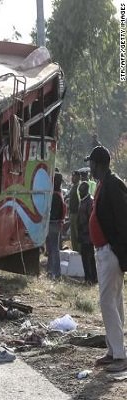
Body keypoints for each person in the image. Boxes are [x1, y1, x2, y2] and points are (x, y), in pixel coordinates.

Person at [85, 146, 127, 373]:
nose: (89, 168)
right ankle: (114, 351)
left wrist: (121, 253)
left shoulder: (113, 184)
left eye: (91, 163)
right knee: (114, 301)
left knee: (106, 302)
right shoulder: (103, 184)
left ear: (98, 164)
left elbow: (123, 222)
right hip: (103, 251)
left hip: (111, 251)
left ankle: (120, 355)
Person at [46, 172, 65, 279]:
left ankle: (56, 272)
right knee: (52, 248)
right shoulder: (59, 193)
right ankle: (50, 270)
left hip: (53, 224)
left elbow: (52, 213)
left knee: (53, 249)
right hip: (56, 224)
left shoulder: (55, 195)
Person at [77, 181, 97, 284]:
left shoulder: (90, 201)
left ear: (86, 190)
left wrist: (86, 232)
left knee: (88, 258)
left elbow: (90, 219)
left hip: (87, 235)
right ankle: (91, 278)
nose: (79, 193)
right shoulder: (83, 201)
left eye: (81, 191)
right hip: (83, 234)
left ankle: (90, 279)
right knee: (87, 257)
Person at [68, 171, 81, 253]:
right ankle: (75, 252)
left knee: (77, 235)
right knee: (72, 236)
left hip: (77, 214)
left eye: (74, 176)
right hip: (72, 213)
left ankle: (80, 253)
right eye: (72, 176)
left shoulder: (79, 187)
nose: (72, 178)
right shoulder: (73, 187)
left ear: (78, 178)